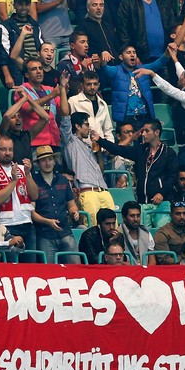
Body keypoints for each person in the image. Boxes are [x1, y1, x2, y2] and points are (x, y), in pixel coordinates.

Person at [56, 76, 115, 218]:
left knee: (113, 225)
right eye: (86, 124)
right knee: (93, 227)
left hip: (104, 190)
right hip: (87, 192)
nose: (89, 128)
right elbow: (64, 115)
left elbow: (100, 170)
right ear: (77, 126)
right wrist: (63, 89)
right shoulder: (70, 141)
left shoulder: (89, 146)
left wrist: (98, 150)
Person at [30, 145, 80, 264]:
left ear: (54, 161)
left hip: (65, 231)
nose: (47, 163)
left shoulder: (63, 180)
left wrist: (74, 211)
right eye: (43, 160)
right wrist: (47, 221)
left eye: (50, 159)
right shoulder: (33, 182)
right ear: (39, 163)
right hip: (44, 234)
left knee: (76, 269)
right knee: (48, 272)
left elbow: (71, 204)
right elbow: (31, 212)